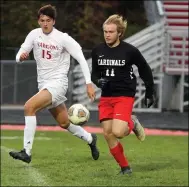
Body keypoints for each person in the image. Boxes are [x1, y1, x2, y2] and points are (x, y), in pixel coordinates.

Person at [9, 4, 99, 163]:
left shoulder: (62, 38)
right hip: (43, 84)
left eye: (48, 20)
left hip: (58, 83)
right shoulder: (34, 35)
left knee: (29, 107)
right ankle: (91, 139)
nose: (45, 23)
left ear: (53, 21)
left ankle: (27, 152)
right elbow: (21, 51)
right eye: (42, 20)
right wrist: (20, 58)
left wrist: (88, 83)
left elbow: (81, 58)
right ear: (38, 21)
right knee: (65, 123)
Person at [91, 14, 155, 175]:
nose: (107, 34)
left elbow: (145, 69)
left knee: (118, 132)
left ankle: (131, 122)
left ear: (119, 33)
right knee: (107, 133)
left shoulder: (130, 51)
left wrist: (150, 91)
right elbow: (94, 75)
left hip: (124, 95)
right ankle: (125, 168)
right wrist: (98, 82)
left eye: (111, 32)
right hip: (106, 97)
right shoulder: (98, 50)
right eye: (105, 31)